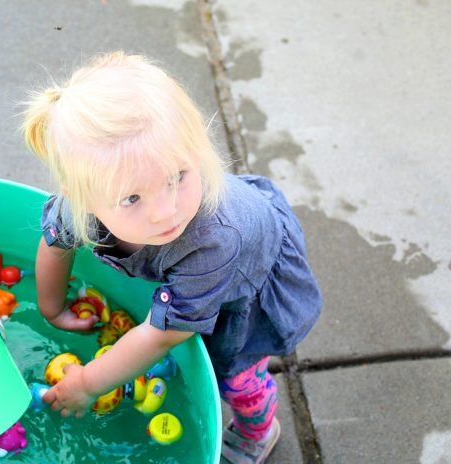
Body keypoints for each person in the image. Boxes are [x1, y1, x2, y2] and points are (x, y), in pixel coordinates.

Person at [22, 51, 322, 464]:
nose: (166, 212)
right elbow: (54, 246)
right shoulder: (79, 209)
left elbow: (165, 334)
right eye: (132, 198)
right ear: (82, 199)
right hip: (196, 270)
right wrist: (51, 308)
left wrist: (90, 382)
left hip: (245, 281)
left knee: (237, 377)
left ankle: (258, 431)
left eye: (178, 176)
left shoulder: (214, 240)